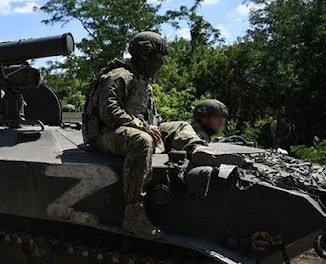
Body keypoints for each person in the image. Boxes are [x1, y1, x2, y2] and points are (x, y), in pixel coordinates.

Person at [83, 32, 243, 240]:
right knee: (142, 141)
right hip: (106, 134)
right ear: (145, 54)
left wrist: (151, 126)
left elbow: (149, 116)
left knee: (179, 126)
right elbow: (109, 112)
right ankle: (133, 214)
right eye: (159, 57)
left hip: (129, 128)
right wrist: (142, 126)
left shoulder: (142, 81)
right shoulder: (120, 75)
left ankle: (199, 150)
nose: (161, 62)